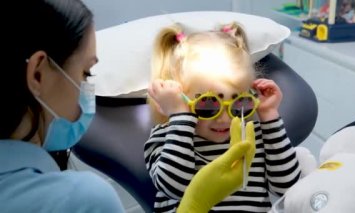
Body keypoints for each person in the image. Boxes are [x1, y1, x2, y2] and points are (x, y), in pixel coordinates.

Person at [1, 1, 251, 212]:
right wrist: (195, 203)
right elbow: (172, 183)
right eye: (86, 72)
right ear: (38, 75)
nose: (224, 117)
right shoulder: (85, 200)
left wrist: (270, 120)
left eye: (239, 100)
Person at [145, 22, 302, 212]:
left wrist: (269, 116)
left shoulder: (252, 136)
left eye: (239, 104)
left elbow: (287, 187)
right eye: (209, 104)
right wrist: (179, 117)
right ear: (177, 101)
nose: (225, 119)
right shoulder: (167, 138)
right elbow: (174, 188)